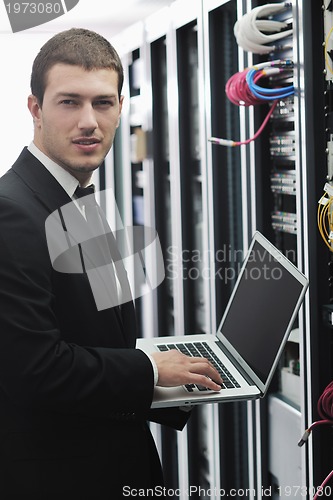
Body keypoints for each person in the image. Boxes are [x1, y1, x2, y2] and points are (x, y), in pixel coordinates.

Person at [0, 28, 222, 499]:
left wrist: (175, 376)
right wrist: (151, 370)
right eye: (69, 102)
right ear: (35, 109)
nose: (89, 121)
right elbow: (34, 370)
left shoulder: (79, 197)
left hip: (111, 463)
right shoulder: (11, 213)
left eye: (103, 103)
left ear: (121, 108)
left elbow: (107, 342)